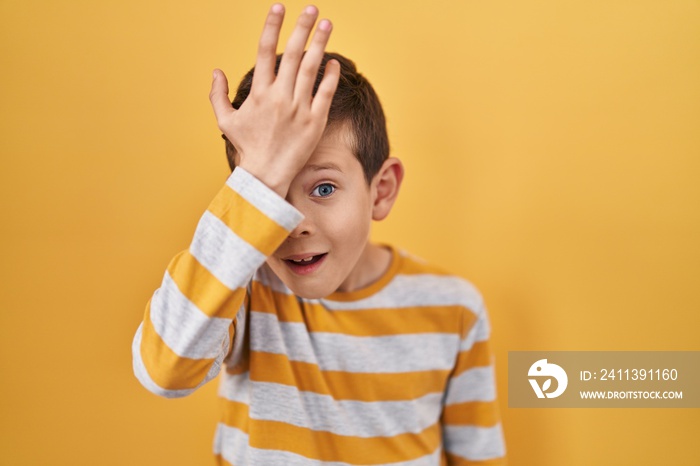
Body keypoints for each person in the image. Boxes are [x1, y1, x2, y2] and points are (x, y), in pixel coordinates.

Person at [132, 3, 506, 465]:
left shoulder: (453, 311)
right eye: (271, 193)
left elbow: (478, 456)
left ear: (380, 189)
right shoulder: (241, 292)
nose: (293, 222)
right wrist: (255, 179)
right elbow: (164, 369)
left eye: (323, 188)